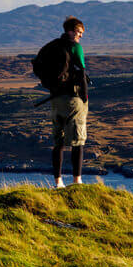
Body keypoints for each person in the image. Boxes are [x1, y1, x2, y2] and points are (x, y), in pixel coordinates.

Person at [33, 16, 89, 188]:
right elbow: (81, 70)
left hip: (56, 99)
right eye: (79, 32)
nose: (80, 36)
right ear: (71, 31)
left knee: (58, 142)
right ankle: (77, 180)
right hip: (73, 99)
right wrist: (84, 97)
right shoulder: (75, 47)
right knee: (78, 141)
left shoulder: (52, 46)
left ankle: (58, 182)